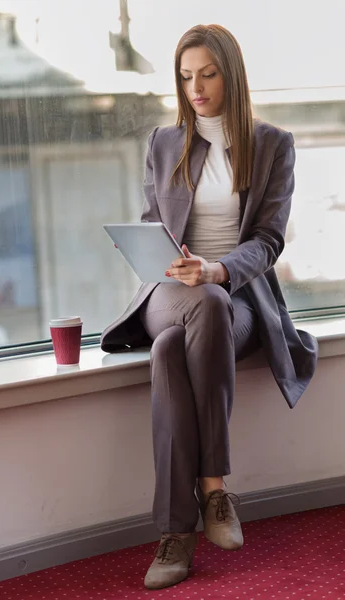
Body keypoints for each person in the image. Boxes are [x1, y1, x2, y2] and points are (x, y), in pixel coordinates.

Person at [101, 24, 318, 590]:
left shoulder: (273, 144)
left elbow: (269, 240)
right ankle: (215, 486)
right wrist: (171, 259)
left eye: (208, 74)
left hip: (235, 300)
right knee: (192, 309)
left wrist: (217, 270)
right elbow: (154, 223)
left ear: (231, 75)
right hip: (169, 293)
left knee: (178, 343)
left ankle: (175, 533)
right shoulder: (163, 143)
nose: (195, 87)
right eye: (185, 76)